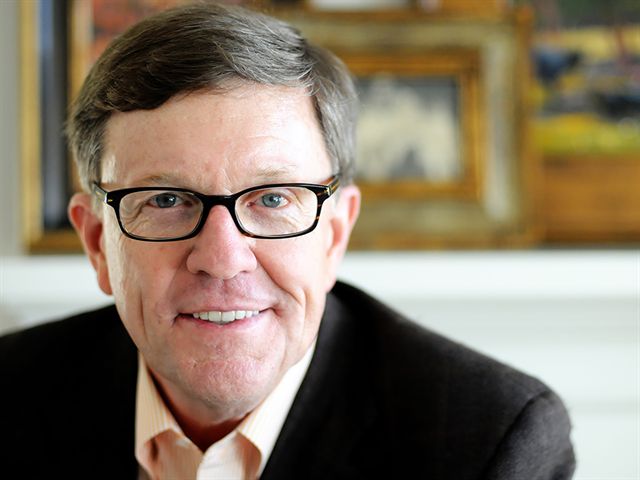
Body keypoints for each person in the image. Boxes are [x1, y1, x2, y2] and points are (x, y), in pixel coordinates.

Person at [0, 3, 575, 479]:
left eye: (273, 199)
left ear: (335, 234)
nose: (222, 259)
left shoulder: (486, 442)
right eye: (167, 200)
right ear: (97, 243)